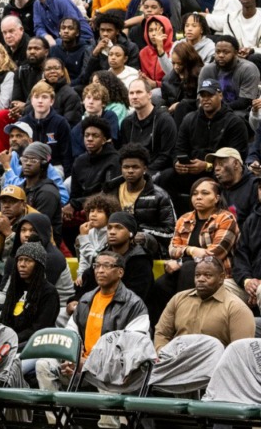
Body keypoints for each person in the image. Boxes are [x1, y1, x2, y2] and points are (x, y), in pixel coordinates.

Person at [36, 250, 148, 429]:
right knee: (44, 364)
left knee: (110, 369)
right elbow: (71, 332)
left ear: (120, 272)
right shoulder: (86, 299)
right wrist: (72, 357)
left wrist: (90, 362)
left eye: (107, 266)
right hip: (80, 366)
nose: (100, 270)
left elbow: (133, 347)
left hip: (110, 367)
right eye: (97, 266)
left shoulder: (134, 304)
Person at [149, 177, 243, 326]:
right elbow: (173, 249)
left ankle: (184, 324)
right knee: (159, 286)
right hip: (184, 267)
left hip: (216, 272)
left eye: (205, 193)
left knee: (189, 268)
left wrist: (184, 255)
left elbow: (215, 253)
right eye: (195, 193)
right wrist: (191, 251)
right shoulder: (184, 219)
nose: (198, 197)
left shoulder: (225, 218)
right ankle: (159, 329)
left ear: (217, 198)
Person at [155, 255, 255, 351]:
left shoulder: (236, 308)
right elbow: (162, 333)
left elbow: (240, 352)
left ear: (221, 278)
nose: (201, 279)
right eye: (197, 275)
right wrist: (162, 355)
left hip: (215, 365)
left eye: (208, 275)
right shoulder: (178, 299)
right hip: (176, 361)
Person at [102, 144, 176, 255]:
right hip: (114, 236)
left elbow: (171, 231)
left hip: (147, 243)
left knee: (140, 238)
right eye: (126, 167)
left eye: (135, 167)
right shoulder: (110, 191)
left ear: (144, 169)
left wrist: (140, 230)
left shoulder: (159, 195)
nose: (130, 171)